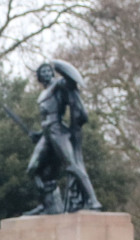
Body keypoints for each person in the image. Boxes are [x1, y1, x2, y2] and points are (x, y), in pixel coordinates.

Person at [25, 60, 101, 215]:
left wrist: (61, 68)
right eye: (42, 72)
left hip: (58, 130)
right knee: (33, 169)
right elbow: (46, 118)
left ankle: (93, 200)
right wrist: (38, 134)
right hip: (46, 133)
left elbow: (71, 83)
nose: (46, 73)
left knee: (73, 165)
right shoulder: (43, 93)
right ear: (39, 76)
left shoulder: (58, 85)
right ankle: (45, 204)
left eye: (48, 71)